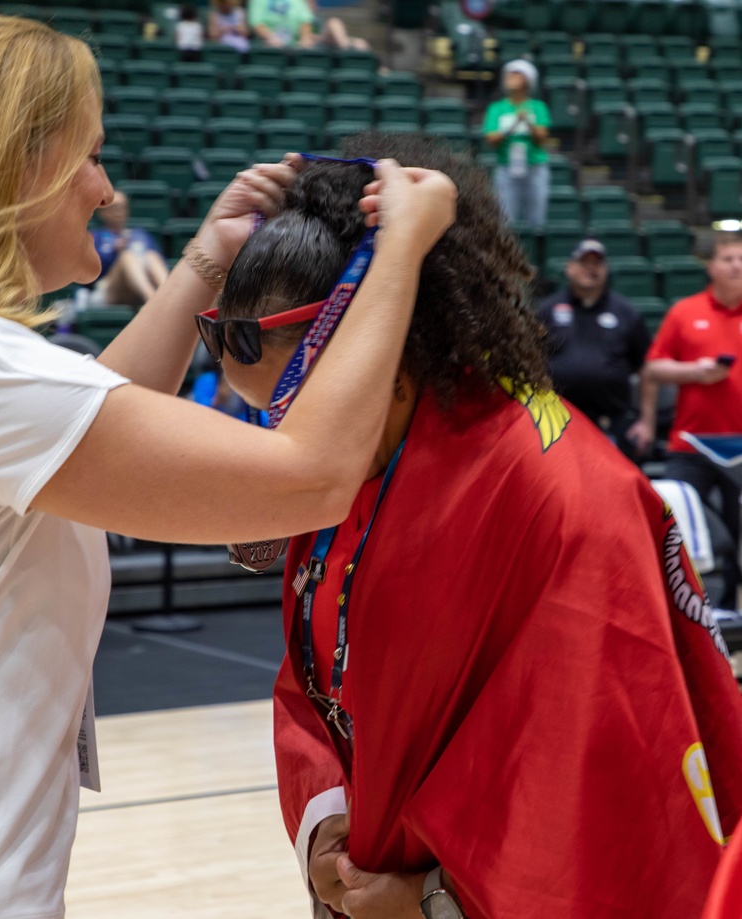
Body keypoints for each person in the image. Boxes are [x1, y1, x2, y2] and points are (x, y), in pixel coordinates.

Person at [0, 16, 457, 918]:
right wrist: (401, 248)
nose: (108, 189)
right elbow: (311, 474)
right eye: (89, 155)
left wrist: (205, 258)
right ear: (19, 169)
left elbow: (77, 420)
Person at [210, 133, 742, 919]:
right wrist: (325, 826)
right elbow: (317, 679)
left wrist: (433, 898)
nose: (282, 444)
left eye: (285, 407)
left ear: (379, 344)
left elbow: (603, 769)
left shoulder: (563, 494)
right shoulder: (357, 455)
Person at [642, 233, 742, 611]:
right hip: (691, 445)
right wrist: (694, 372)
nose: (737, 265)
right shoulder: (686, 311)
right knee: (676, 531)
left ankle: (730, 619)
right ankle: (679, 612)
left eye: (741, 258)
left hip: (740, 446)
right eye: (728, 258)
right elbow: (653, 367)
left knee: (736, 537)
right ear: (711, 267)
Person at [536, 237, 655, 458]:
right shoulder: (547, 310)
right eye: (584, 263)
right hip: (557, 421)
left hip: (612, 422)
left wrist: (646, 423)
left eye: (597, 264)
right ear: (569, 268)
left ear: (606, 270)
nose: (591, 269)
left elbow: (646, 369)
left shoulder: (626, 312)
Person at [483, 59, 551, 229]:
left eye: (516, 75)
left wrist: (527, 122)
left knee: (537, 220)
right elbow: (491, 139)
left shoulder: (538, 107)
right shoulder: (496, 108)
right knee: (506, 220)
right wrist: (513, 126)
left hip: (535, 166)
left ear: (527, 80)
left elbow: (542, 138)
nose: (510, 78)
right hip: (506, 167)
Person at [90, 189, 170, 308]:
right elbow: (90, 273)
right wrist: (113, 251)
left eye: (122, 207)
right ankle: (152, 300)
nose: (118, 212)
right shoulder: (95, 237)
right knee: (127, 257)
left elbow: (159, 261)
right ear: (102, 212)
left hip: (138, 287)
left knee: (151, 255)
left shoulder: (140, 235)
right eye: (113, 207)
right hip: (107, 289)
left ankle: (169, 295)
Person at [247, 0, 369, 51]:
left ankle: (347, 54)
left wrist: (305, 38)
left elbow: (306, 20)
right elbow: (256, 22)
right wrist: (270, 36)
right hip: (270, 45)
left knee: (360, 43)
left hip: (300, 45)